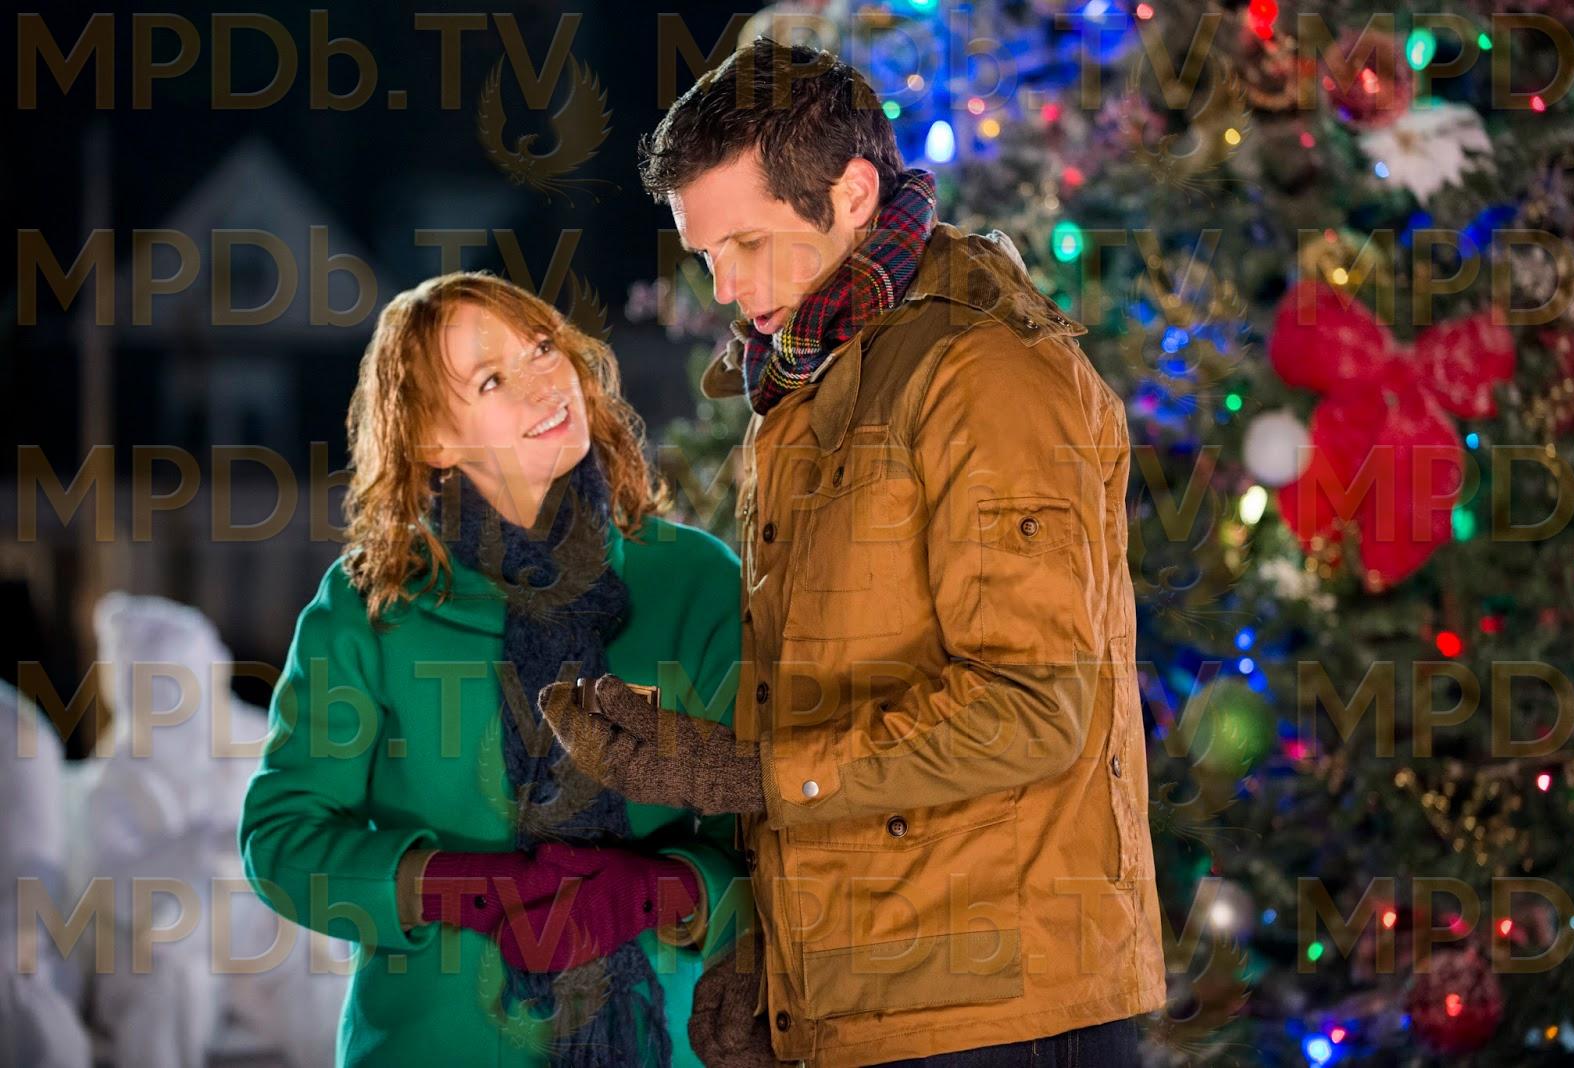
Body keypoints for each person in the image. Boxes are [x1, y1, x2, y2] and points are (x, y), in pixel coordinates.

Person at [542, 38, 1166, 1067]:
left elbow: (1031, 709)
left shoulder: (984, 375)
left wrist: (744, 773)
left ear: (853, 194)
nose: (727, 288)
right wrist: (780, 964)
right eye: (707, 256)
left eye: (748, 243)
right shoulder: (811, 376)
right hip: (878, 999)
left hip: (1000, 1012)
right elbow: (834, 697)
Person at [238, 271, 749, 1067]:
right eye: (490, 380)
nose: (544, 383)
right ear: (434, 440)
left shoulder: (695, 581)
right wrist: (454, 887)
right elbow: (282, 839)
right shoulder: (371, 607)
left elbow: (768, 830)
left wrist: (661, 892)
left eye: (543, 348)